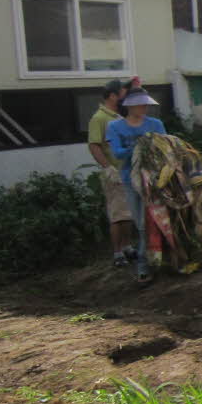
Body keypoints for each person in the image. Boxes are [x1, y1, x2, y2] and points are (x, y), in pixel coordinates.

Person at [106, 86, 167, 285]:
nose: (143, 107)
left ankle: (164, 260)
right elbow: (117, 153)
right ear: (129, 106)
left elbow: (165, 148)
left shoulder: (155, 124)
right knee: (141, 224)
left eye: (145, 104)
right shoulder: (115, 127)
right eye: (139, 104)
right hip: (131, 180)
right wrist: (139, 145)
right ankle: (143, 266)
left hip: (156, 179)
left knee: (162, 219)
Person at [88, 78, 135, 267]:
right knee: (117, 214)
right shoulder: (99, 118)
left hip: (127, 170)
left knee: (128, 212)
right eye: (123, 93)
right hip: (114, 173)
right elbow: (94, 145)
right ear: (113, 95)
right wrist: (108, 168)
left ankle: (127, 246)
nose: (126, 96)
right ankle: (117, 253)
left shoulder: (119, 116)